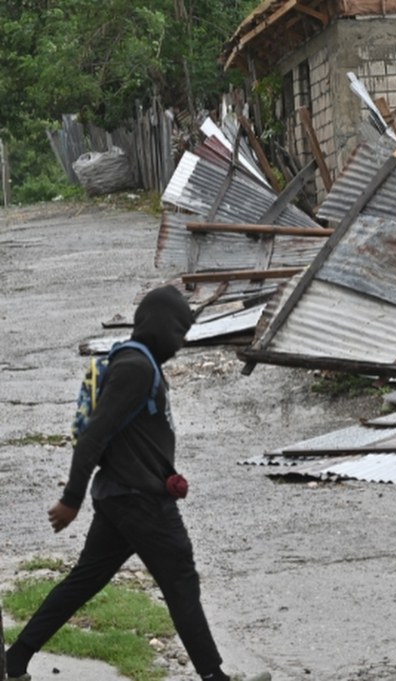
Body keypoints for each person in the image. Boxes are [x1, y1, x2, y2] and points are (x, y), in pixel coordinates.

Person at [3, 286, 268, 681]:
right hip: (142, 502)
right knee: (181, 581)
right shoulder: (135, 368)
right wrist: (71, 499)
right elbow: (94, 436)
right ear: (159, 325)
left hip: (122, 498)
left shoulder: (139, 363)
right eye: (178, 332)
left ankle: (14, 662)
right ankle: (215, 677)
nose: (180, 343)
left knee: (84, 582)